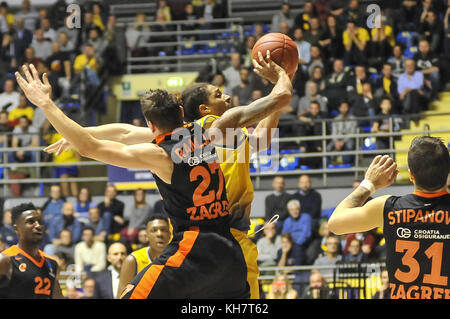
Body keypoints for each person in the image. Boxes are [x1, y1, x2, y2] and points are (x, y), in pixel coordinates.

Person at [17, 51, 292, 298]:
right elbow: (279, 103)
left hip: (194, 247)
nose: (227, 97)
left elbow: (101, 143)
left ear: (151, 125)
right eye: (218, 94)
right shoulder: (214, 131)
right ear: (185, 114)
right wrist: (283, 74)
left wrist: (47, 105)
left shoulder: (162, 152)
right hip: (230, 249)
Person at [328, 137, 449, 299]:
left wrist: (368, 184)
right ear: (447, 173)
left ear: (411, 175)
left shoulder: (388, 208)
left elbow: (335, 224)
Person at [0, 202, 63, 298]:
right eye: (31, 221)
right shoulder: (6, 260)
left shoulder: (51, 263)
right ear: (16, 229)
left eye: (40, 221)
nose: (38, 225)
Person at [117, 213, 171, 297]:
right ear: (146, 236)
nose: (159, 234)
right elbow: (121, 296)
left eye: (164, 230)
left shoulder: (178, 259)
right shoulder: (133, 261)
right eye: (154, 230)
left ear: (170, 234)